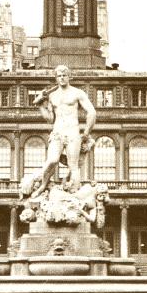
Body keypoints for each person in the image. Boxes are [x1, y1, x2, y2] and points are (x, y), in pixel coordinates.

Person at [33, 65, 96, 196]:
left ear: (69, 77)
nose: (62, 78)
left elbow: (92, 112)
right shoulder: (52, 96)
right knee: (52, 160)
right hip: (57, 132)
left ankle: (75, 195)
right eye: (59, 76)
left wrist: (86, 133)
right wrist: (39, 105)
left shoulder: (77, 93)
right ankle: (43, 185)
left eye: (64, 75)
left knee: (73, 166)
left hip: (73, 132)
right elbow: (50, 119)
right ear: (56, 78)